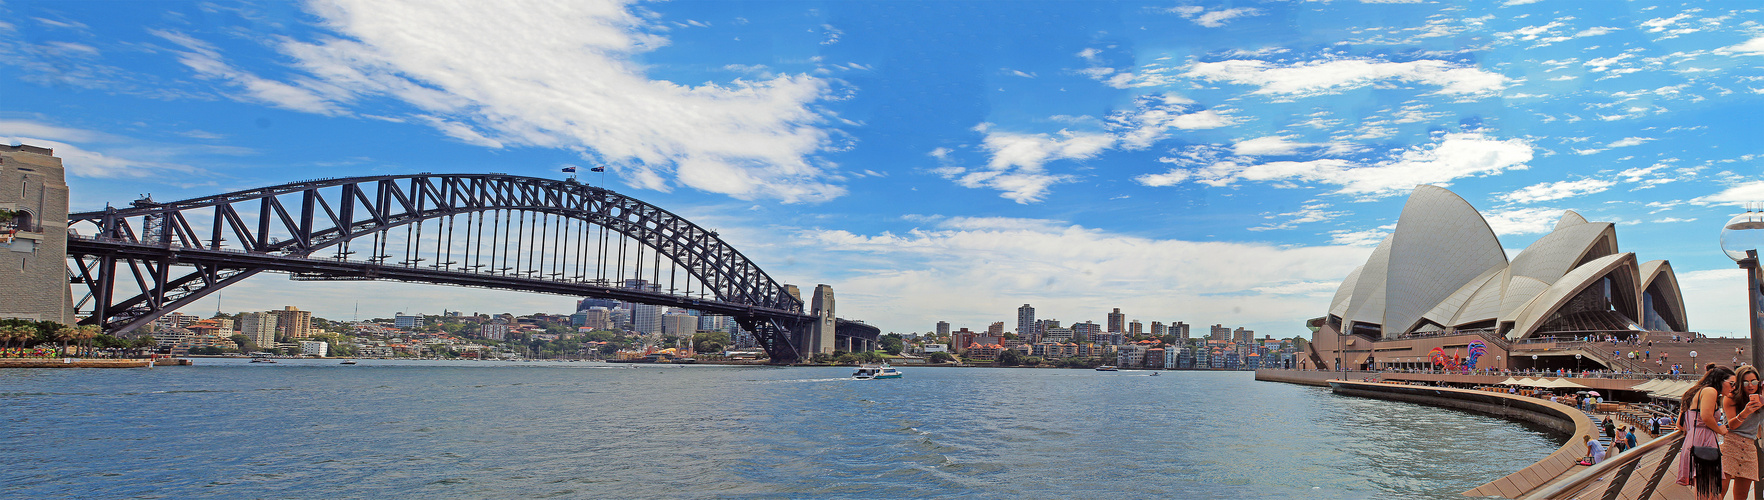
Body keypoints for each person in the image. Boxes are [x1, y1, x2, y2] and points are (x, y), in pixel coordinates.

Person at [1679, 365, 1736, 500]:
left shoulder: (1695, 392)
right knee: (1709, 492)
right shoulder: (1710, 391)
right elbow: (1706, 416)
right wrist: (1719, 429)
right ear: (1720, 380)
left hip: (1694, 440)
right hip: (1704, 443)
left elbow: (1680, 425)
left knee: (1705, 491)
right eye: (1731, 383)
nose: (1733, 387)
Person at [1724, 365, 1764, 499]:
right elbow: (1732, 425)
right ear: (1740, 383)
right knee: (1720, 491)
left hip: (1749, 447)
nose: (1751, 386)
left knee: (1742, 495)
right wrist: (1746, 412)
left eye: (1754, 381)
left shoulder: (1761, 400)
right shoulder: (1731, 398)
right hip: (1731, 444)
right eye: (1746, 382)